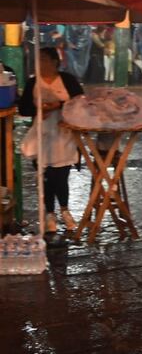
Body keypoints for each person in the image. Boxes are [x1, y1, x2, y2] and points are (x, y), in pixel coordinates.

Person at [18, 47, 84, 233]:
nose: (42, 64)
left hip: (64, 136)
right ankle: (49, 214)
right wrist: (40, 109)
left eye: (45, 60)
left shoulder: (67, 80)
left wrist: (59, 105)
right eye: (39, 60)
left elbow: (80, 102)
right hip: (42, 134)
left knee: (61, 176)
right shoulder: (33, 82)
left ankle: (65, 210)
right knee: (46, 177)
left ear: (56, 61)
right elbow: (23, 109)